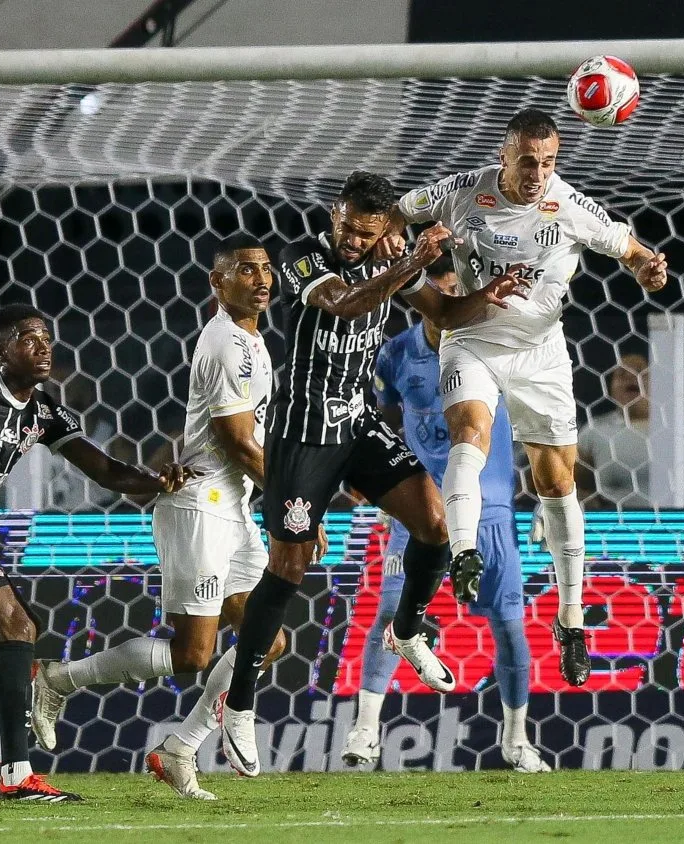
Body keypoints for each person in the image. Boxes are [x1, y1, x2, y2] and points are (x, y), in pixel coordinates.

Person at [218, 171, 528, 777]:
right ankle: (240, 706)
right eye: (348, 229)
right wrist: (409, 260)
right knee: (289, 567)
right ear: (334, 217)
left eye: (367, 232)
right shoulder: (303, 257)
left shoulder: (391, 259)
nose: (355, 241)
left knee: (435, 522)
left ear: (384, 226)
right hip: (304, 433)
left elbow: (444, 310)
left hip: (357, 425)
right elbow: (344, 303)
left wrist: (487, 296)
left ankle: (407, 631)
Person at [388, 108, 668, 686]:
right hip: (472, 339)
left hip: (541, 353)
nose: (538, 173)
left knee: (557, 483)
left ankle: (572, 620)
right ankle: (463, 552)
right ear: (503, 156)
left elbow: (629, 248)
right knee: (469, 435)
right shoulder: (462, 191)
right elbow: (398, 211)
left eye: (547, 162)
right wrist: (398, 244)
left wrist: (648, 268)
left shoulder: (569, 204)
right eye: (526, 161)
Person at [28, 237, 296, 800]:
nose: (261, 278)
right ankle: (58, 678)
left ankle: (179, 749)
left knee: (267, 641)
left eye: (266, 268)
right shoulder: (224, 342)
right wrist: (296, 502)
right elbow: (238, 441)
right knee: (192, 654)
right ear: (218, 282)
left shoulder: (254, 341)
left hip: (234, 507)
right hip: (200, 507)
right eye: (246, 270)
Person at [0, 303, 191, 803]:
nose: (44, 348)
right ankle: (12, 773)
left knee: (16, 628)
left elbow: (105, 471)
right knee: (15, 629)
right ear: (0, 350)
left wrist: (157, 480)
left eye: (46, 338)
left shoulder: (43, 412)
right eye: (29, 338)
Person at [342, 256, 549, 773]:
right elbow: (373, 416)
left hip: (491, 511)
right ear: (420, 295)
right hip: (421, 509)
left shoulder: (498, 345)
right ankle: (365, 731)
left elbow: (538, 418)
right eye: (438, 290)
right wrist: (373, 477)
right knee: (391, 614)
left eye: (457, 288)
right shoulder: (395, 354)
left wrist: (549, 496)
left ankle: (516, 740)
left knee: (508, 625)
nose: (449, 299)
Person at [576, 352, 684, 510]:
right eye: (621, 374)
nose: (630, 377)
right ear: (609, 387)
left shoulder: (683, 421)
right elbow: (576, 483)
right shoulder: (594, 429)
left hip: (674, 518)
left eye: (640, 372)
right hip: (616, 521)